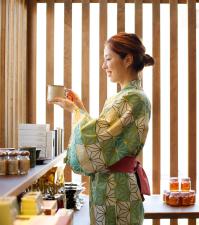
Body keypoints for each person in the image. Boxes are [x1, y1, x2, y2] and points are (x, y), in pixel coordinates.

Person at [49, 32, 154, 225]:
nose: (103, 65)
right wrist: (79, 107)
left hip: (117, 188)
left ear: (128, 59)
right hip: (108, 185)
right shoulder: (124, 97)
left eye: (108, 59)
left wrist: (75, 111)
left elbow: (99, 140)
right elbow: (103, 135)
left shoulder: (134, 98)